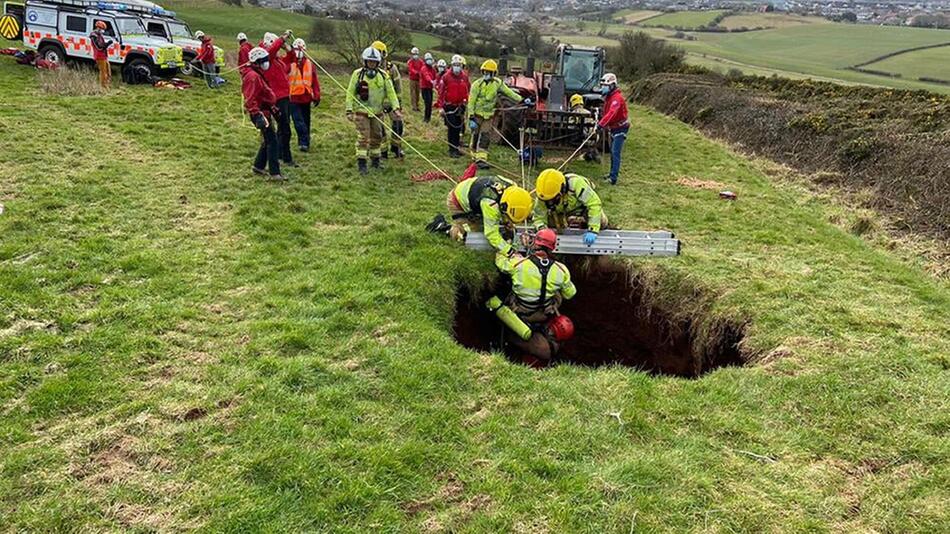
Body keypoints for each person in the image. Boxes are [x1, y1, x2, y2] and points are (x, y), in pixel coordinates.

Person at [487, 228, 577, 364]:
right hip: (545, 314)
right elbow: (570, 294)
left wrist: (507, 246)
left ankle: (504, 337)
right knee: (558, 293)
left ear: (535, 243)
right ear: (552, 248)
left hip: (521, 313)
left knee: (507, 288)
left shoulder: (519, 264)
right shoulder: (561, 269)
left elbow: (500, 261)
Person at [444, 175, 533, 256]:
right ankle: (450, 231)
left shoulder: (513, 188)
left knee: (489, 228)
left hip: (474, 193)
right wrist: (509, 251)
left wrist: (507, 222)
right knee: (475, 239)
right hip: (458, 202)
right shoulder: (491, 205)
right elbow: (491, 234)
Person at [345, 46, 401, 174]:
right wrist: (349, 110)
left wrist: (396, 108)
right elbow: (350, 93)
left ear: (378, 62)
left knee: (377, 137)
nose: (371, 64)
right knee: (363, 138)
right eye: (369, 61)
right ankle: (362, 163)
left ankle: (375, 161)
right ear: (365, 61)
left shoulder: (384, 76)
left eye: (374, 62)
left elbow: (391, 93)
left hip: (377, 113)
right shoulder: (357, 75)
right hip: (361, 113)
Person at [468, 59, 532, 168]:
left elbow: (509, 92)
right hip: (477, 115)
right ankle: (473, 153)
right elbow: (471, 101)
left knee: (485, 136)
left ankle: (481, 159)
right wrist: (471, 117)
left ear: (494, 73)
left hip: (488, 116)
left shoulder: (497, 84)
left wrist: (521, 100)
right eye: (485, 72)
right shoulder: (476, 85)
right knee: (476, 134)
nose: (487, 74)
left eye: (489, 72)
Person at [533, 169, 606, 246]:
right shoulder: (543, 194)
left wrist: (593, 230)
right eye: (547, 201)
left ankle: (584, 223)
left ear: (562, 190)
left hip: (581, 208)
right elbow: (539, 217)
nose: (550, 203)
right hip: (560, 212)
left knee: (601, 221)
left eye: (553, 199)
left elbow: (594, 204)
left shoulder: (576, 184)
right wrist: (543, 230)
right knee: (554, 228)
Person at [242, 47, 284, 181]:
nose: (267, 63)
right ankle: (275, 173)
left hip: (265, 110)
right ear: (257, 61)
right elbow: (251, 99)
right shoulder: (253, 77)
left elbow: (263, 95)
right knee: (272, 141)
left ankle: (258, 166)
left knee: (268, 140)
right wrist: (257, 115)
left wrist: (272, 107)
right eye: (264, 60)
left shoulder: (256, 74)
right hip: (261, 113)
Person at [261, 30, 297, 168]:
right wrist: (282, 39)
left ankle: (281, 153)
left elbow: (291, 59)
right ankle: (285, 157)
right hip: (276, 99)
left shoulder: (277, 60)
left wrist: (288, 48)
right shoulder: (266, 59)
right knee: (284, 128)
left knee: (283, 128)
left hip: (284, 97)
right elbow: (271, 51)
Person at [372, 40, 404, 160]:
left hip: (391, 104)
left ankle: (396, 148)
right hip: (376, 105)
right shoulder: (369, 69)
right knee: (379, 129)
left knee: (398, 125)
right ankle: (383, 152)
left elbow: (398, 87)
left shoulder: (391, 68)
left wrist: (398, 105)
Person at [287, 38, 321, 153]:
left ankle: (305, 142)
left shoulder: (310, 64)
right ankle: (303, 142)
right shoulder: (289, 62)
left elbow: (314, 81)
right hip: (293, 97)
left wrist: (317, 95)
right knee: (298, 121)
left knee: (306, 121)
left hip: (306, 97)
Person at [597, 73, 629, 185]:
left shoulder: (617, 99)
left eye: (605, 85)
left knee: (615, 153)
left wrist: (601, 124)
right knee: (612, 152)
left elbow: (612, 113)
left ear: (612, 85)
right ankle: (611, 174)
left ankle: (613, 178)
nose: (603, 88)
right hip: (613, 128)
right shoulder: (609, 97)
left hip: (620, 129)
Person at [438, 54, 470, 158]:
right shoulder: (446, 77)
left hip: (460, 106)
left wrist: (466, 101)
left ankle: (456, 147)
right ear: (452, 65)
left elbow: (467, 90)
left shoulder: (464, 77)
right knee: (452, 129)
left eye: (459, 65)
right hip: (449, 107)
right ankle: (451, 149)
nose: (457, 66)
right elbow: (441, 92)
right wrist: (441, 107)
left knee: (458, 128)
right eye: (455, 64)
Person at [89, 20, 113, 88]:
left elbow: (102, 45)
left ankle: (107, 84)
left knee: (108, 71)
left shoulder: (99, 35)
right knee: (103, 72)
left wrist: (107, 44)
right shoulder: (94, 36)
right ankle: (103, 86)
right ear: (98, 28)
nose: (103, 31)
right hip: (99, 56)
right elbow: (99, 47)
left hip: (104, 55)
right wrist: (107, 44)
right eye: (102, 29)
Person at [420, 52, 437, 123]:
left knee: (430, 104)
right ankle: (426, 118)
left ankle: (428, 117)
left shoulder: (433, 69)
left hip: (430, 88)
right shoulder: (424, 68)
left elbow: (435, 76)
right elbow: (426, 75)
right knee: (427, 103)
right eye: (428, 59)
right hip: (424, 88)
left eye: (430, 59)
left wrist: (435, 82)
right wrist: (431, 81)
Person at [406, 47, 423, 112]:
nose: (415, 55)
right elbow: (411, 68)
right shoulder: (410, 61)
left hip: (419, 79)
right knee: (413, 93)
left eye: (416, 54)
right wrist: (417, 72)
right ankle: (414, 107)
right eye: (414, 54)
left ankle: (417, 105)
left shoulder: (420, 61)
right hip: (412, 79)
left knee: (418, 93)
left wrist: (420, 73)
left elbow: (423, 68)